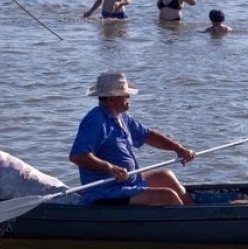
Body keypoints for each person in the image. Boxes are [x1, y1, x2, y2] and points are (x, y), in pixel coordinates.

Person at [69, 71, 196, 206]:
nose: (129, 96)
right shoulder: (95, 121)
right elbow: (78, 156)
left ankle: (196, 215)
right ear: (111, 99)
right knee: (167, 196)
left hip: (129, 182)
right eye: (124, 94)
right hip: (106, 192)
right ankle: (187, 224)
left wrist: (178, 148)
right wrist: (110, 168)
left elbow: (148, 135)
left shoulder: (122, 117)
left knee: (165, 176)